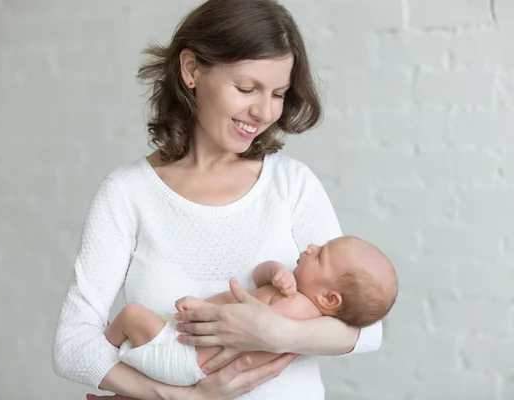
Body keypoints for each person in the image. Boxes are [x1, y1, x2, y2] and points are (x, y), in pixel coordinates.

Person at [52, 0, 385, 399]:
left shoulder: (291, 184)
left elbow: (366, 329)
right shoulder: (127, 193)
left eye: (278, 93)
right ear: (191, 70)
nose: (264, 111)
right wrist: (186, 398)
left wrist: (275, 331)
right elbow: (72, 345)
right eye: (247, 88)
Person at [103, 236, 398, 388]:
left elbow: (241, 326)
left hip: (185, 354)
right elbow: (258, 281)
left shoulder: (298, 308)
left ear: (329, 298)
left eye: (320, 255)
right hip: (188, 351)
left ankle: (104, 345)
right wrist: (275, 271)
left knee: (131, 316)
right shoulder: (294, 294)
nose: (311, 246)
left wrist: (205, 309)